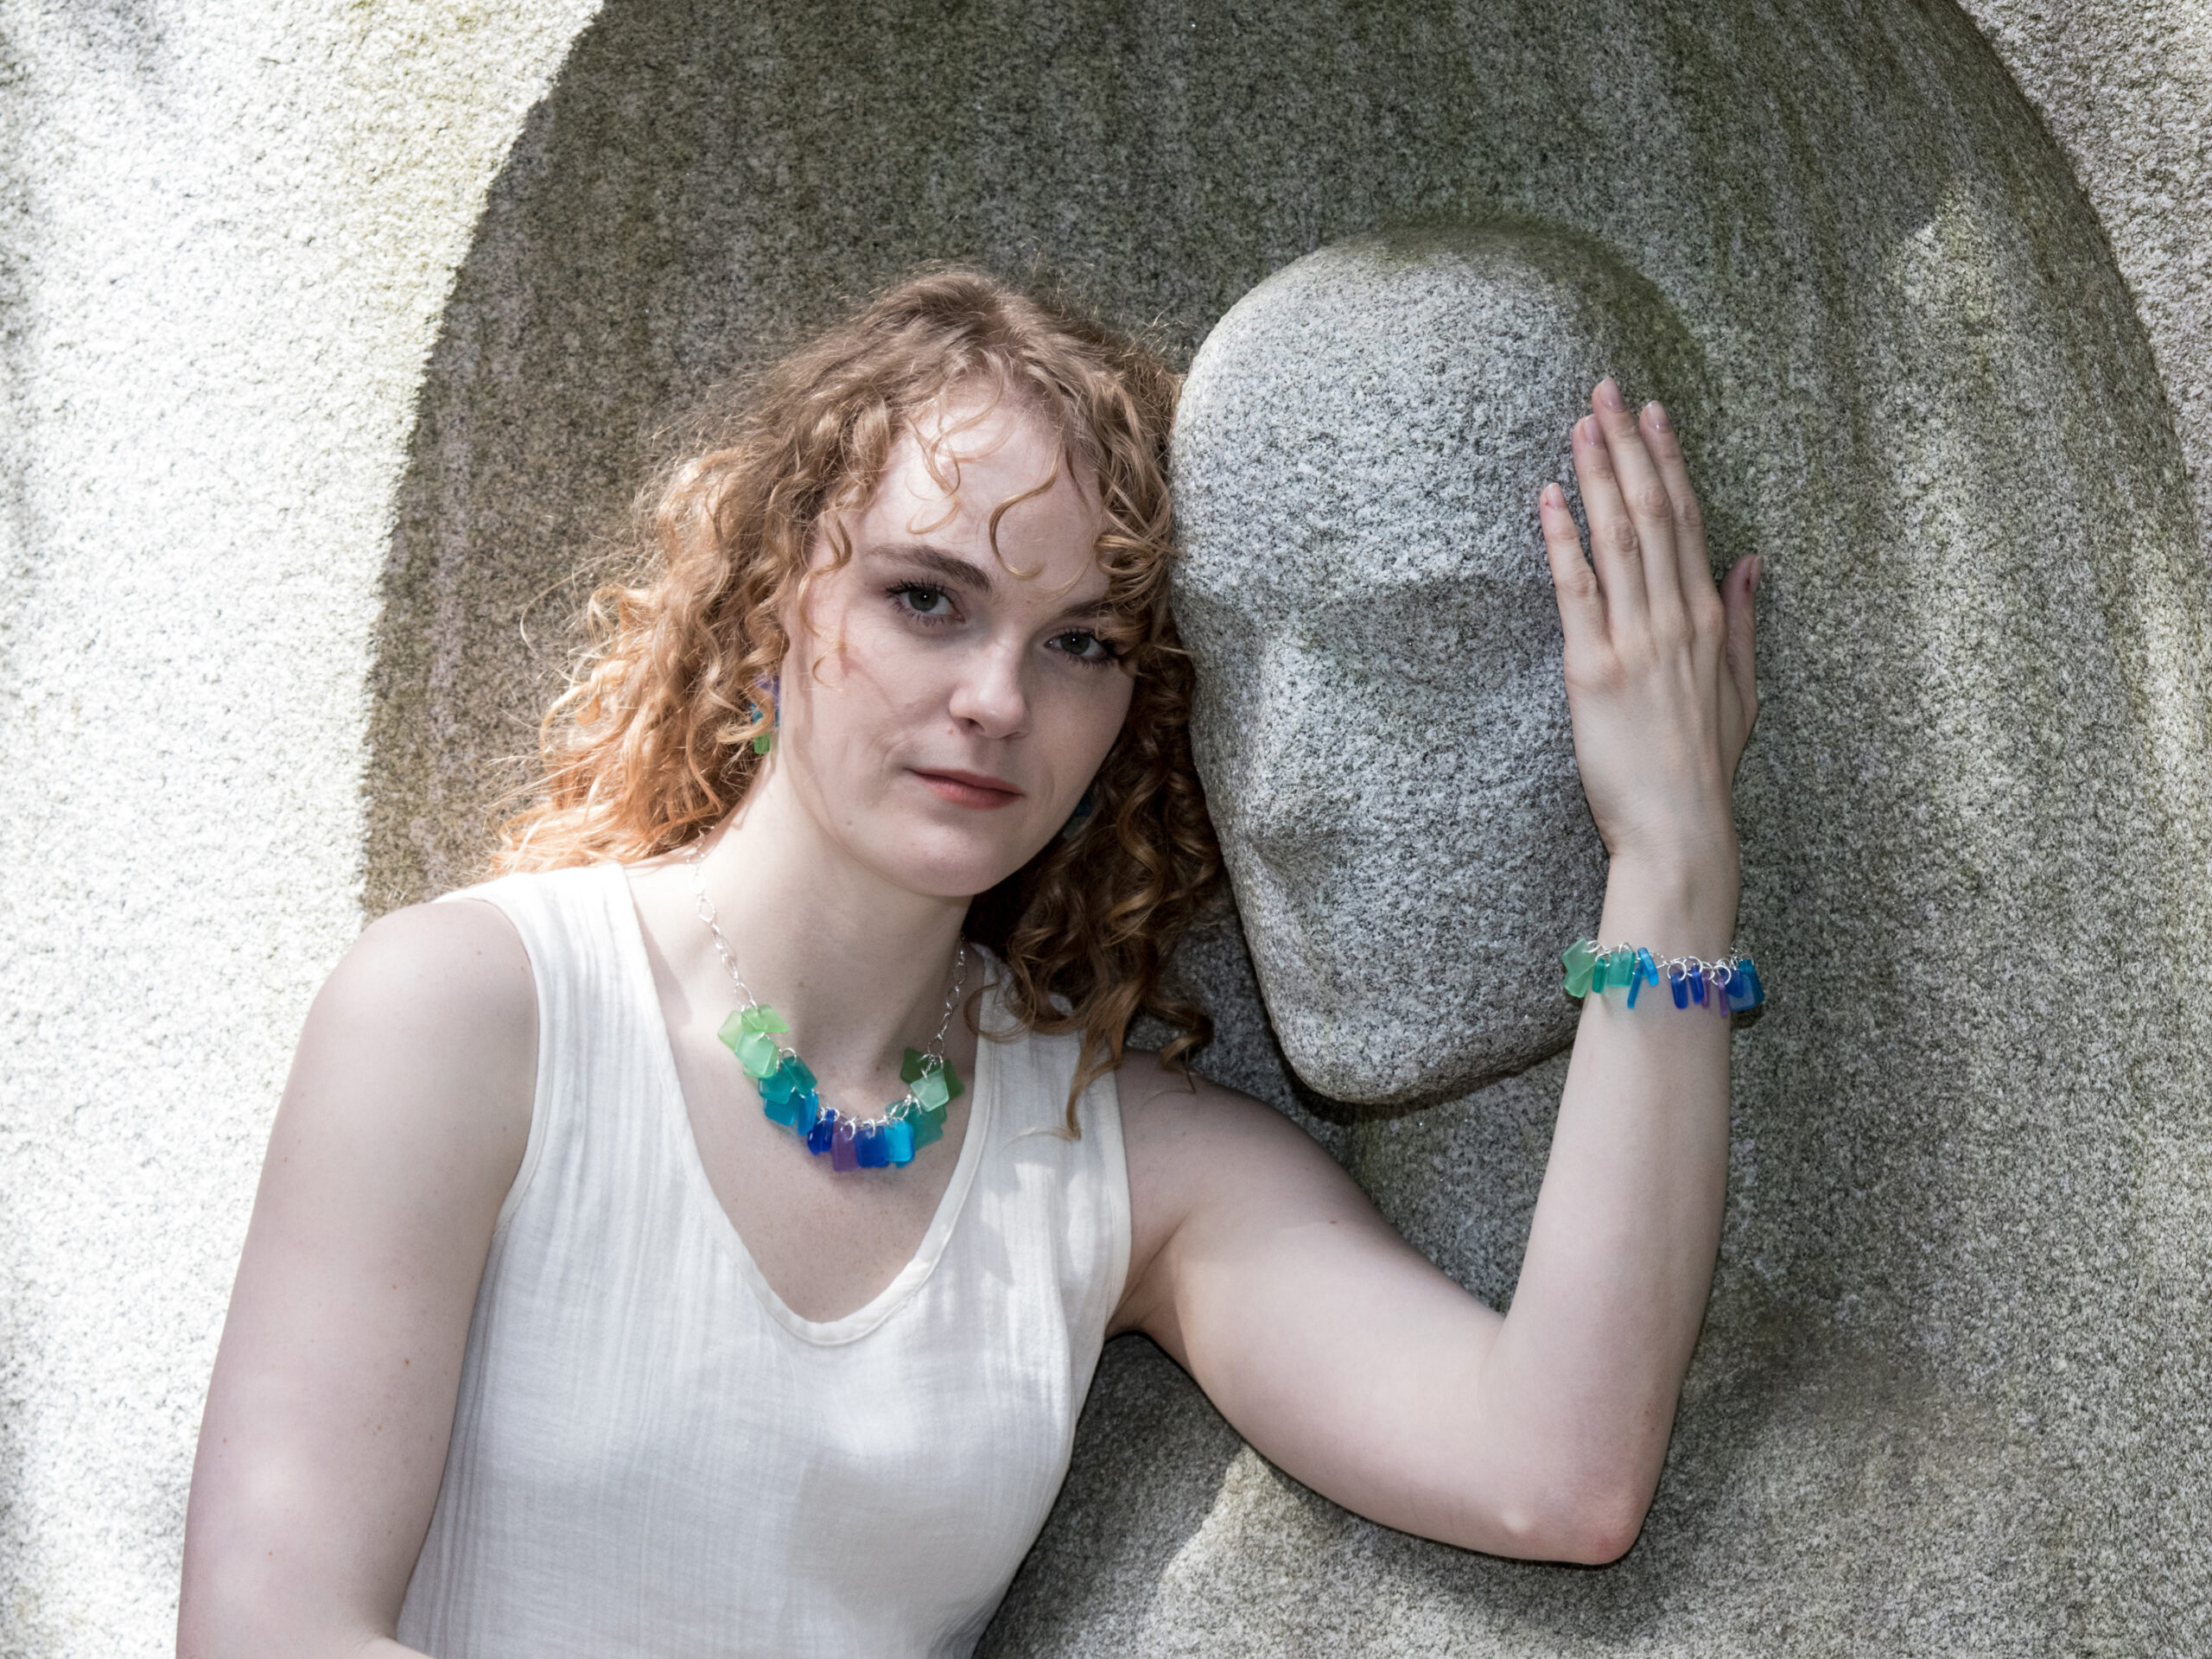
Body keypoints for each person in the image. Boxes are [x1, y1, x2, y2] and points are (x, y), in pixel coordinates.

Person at [177, 269, 1759, 1657]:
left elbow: (1556, 1471)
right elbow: (266, 1632)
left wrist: (1671, 859)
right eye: (928, 600)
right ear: (775, 600)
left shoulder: (1117, 1159)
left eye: (1080, 643)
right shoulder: (467, 1012)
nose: (999, 698)